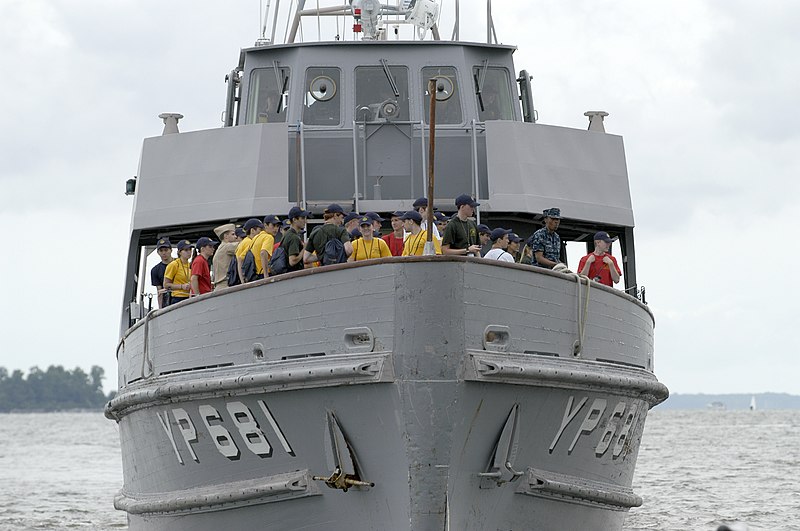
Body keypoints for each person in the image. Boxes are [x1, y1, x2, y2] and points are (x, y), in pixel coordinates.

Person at [164, 240, 193, 305]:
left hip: (189, 296)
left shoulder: (190, 265)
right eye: (186, 250)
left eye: (190, 249)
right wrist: (181, 286)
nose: (189, 252)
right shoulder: (174, 264)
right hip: (177, 298)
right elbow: (166, 285)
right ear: (180, 252)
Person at [282, 206, 310, 272]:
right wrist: (304, 248)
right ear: (294, 219)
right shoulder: (293, 237)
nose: (305, 221)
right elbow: (292, 261)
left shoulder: (288, 234)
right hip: (292, 275)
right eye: (302, 218)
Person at [235, 218, 265, 282]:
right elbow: (240, 260)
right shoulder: (248, 242)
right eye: (260, 229)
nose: (262, 232)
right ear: (252, 230)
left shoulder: (245, 241)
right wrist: (242, 280)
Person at [212, 224, 239, 290]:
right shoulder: (227, 247)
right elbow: (243, 246)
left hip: (220, 286)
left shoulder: (221, 248)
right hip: (226, 285)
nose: (236, 237)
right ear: (226, 236)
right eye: (233, 234)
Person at [150, 238, 172, 308]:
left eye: (166, 250)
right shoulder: (155, 270)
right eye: (161, 251)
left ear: (171, 250)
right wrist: (160, 309)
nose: (164, 253)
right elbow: (159, 292)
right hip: (167, 302)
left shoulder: (179, 264)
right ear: (158, 252)